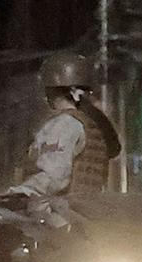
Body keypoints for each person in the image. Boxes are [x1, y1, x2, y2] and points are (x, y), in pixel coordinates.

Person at [16, 51, 118, 197]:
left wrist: (17, 193)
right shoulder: (89, 123)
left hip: (59, 210)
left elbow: (54, 177)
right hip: (84, 210)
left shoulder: (64, 125)